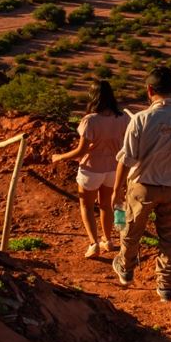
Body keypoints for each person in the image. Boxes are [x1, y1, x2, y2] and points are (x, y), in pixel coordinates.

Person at [111, 67, 171, 302]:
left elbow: (126, 159)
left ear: (149, 90)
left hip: (143, 185)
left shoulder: (141, 119)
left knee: (131, 229)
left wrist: (116, 190)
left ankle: (125, 268)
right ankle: (165, 286)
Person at [51, 81, 130, 259]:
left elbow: (81, 150)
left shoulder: (90, 120)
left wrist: (60, 157)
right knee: (106, 205)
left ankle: (94, 244)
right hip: (113, 168)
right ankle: (108, 241)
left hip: (91, 169)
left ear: (92, 96)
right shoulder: (123, 117)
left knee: (86, 206)